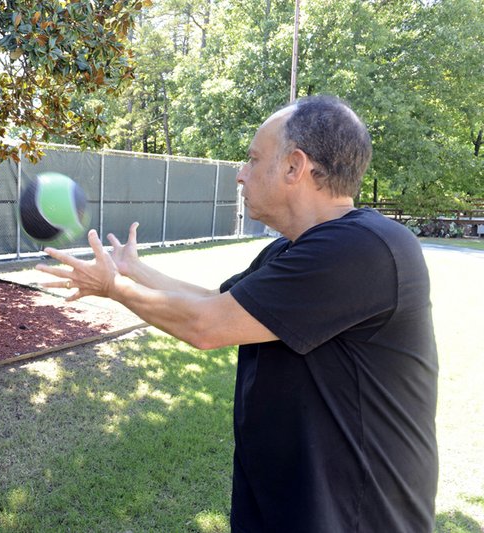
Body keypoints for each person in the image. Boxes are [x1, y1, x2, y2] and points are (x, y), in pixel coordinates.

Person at [36, 95, 439, 531]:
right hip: (290, 506)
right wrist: (134, 270)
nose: (240, 174)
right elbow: (216, 301)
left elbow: (206, 326)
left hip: (355, 517)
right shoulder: (293, 248)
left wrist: (114, 287)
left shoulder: (364, 248)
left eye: (252, 158)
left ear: (293, 167)